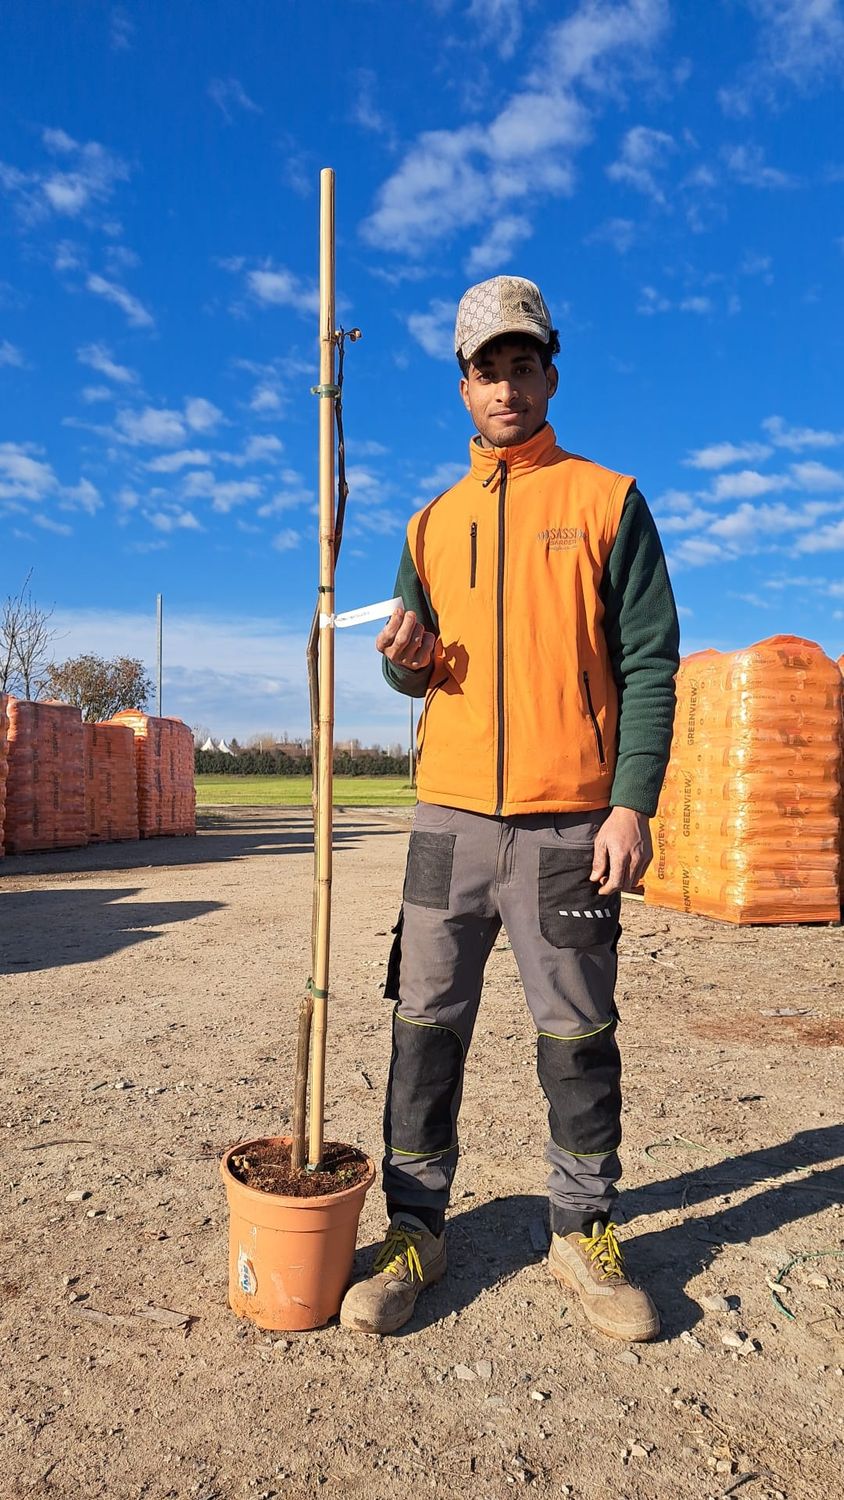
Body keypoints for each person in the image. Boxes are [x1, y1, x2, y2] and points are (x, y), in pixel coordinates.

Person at [340, 275, 680, 1341]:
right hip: (447, 823)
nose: (505, 386)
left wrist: (630, 804)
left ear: (550, 375)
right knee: (423, 1024)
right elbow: (411, 668)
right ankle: (414, 1232)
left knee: (577, 1033)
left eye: (522, 364)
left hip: (570, 823)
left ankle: (583, 1231)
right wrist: (405, 661)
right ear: (462, 386)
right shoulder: (428, 524)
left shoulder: (608, 501)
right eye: (486, 370)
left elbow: (650, 662)